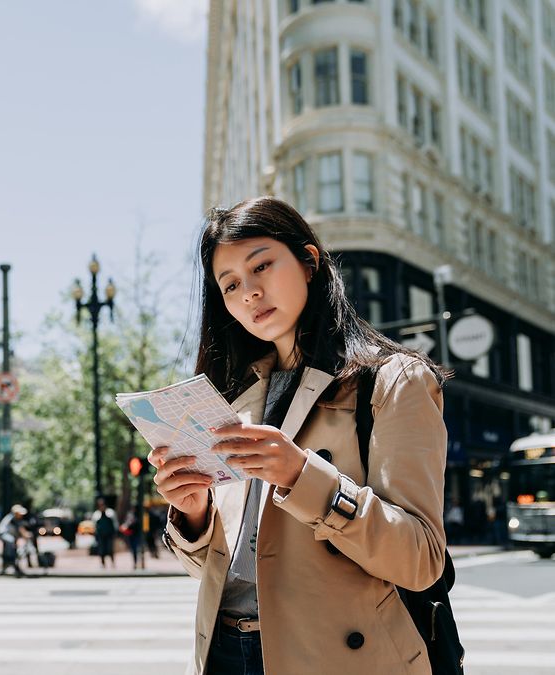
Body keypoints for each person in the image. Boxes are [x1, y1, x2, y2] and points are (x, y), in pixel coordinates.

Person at [150, 198, 449, 675]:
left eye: (262, 265)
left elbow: (422, 559)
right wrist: (194, 513)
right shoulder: (236, 400)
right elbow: (222, 568)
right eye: (229, 285)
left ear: (309, 262)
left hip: (330, 656)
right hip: (223, 650)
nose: (248, 292)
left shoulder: (393, 380)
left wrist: (302, 476)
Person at [0, 505, 29, 577]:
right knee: (11, 545)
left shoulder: (14, 518)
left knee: (12, 546)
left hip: (7, 535)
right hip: (4, 534)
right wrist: (26, 535)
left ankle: (9, 564)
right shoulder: (12, 518)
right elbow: (20, 529)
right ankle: (11, 561)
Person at [92, 498, 118, 569]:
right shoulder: (96, 514)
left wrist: (115, 533)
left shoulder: (110, 513)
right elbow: (94, 526)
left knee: (110, 549)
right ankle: (103, 564)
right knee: (101, 550)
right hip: (100, 536)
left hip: (109, 535)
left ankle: (112, 563)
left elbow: (115, 524)